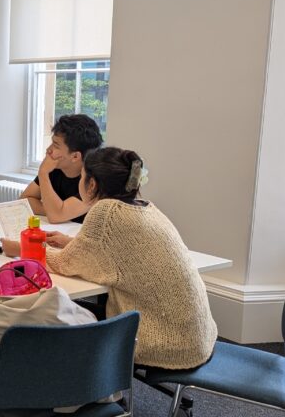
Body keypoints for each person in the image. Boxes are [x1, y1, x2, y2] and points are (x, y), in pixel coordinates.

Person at [11, 147, 217, 369]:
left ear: (92, 184)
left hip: (160, 342)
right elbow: (121, 252)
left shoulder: (106, 211)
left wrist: (20, 248)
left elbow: (65, 264)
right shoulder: (145, 207)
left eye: (82, 177)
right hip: (196, 337)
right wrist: (70, 242)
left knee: (44, 308)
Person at [21, 114, 104, 223]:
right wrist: (52, 209)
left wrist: (43, 173)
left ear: (75, 156)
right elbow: (24, 202)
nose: (48, 149)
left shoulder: (95, 180)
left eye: (55, 145)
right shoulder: (55, 168)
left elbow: (55, 216)